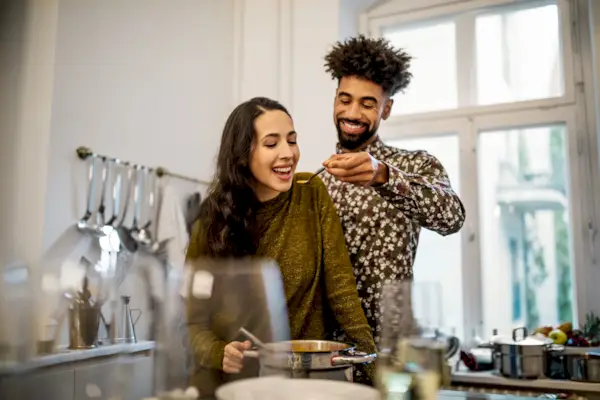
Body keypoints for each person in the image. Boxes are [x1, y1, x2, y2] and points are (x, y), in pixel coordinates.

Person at [185, 97, 377, 395]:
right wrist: (218, 351)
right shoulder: (212, 219)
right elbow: (191, 321)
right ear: (241, 154)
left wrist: (373, 367)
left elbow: (342, 291)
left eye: (292, 140)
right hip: (232, 388)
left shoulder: (310, 192)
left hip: (300, 387)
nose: (288, 153)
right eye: (272, 144)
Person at [320, 35, 466, 346]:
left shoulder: (416, 166)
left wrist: (384, 177)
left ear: (386, 109)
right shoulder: (316, 183)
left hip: (392, 353)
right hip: (328, 355)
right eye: (345, 99)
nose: (353, 113)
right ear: (335, 100)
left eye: (368, 103)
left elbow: (452, 217)